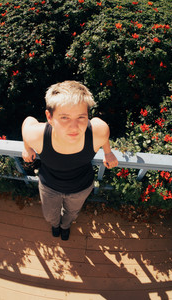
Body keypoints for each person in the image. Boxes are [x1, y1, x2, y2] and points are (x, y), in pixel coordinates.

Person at [21, 81, 118, 240]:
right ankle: (55, 225)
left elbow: (103, 134)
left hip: (81, 187)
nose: (74, 127)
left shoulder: (98, 131)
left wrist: (108, 152)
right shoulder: (37, 135)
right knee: (50, 215)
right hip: (49, 186)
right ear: (49, 117)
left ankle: (65, 227)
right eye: (64, 117)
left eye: (81, 117)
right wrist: (28, 148)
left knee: (72, 213)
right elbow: (27, 123)